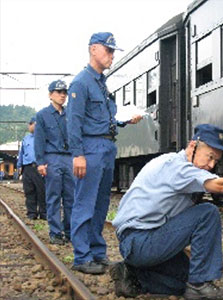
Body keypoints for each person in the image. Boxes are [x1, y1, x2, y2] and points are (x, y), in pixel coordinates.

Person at [111, 124, 223, 300]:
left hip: (141, 242)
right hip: (140, 241)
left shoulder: (172, 163)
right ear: (193, 146)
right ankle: (200, 286)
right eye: (209, 157)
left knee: (183, 281)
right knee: (207, 213)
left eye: (215, 160)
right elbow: (222, 185)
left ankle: (133, 274)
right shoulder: (179, 168)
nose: (211, 165)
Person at [67, 32, 143, 274]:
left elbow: (101, 118)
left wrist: (123, 122)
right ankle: (81, 257)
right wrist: (77, 154)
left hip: (106, 147)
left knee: (100, 205)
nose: (111, 55)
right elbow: (74, 121)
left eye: (112, 51)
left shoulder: (100, 83)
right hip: (90, 149)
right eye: (108, 50)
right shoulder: (81, 82)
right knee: (84, 203)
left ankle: (97, 252)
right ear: (93, 50)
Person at [34, 80, 74, 245]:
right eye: (58, 92)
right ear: (50, 95)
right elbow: (39, 140)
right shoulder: (42, 115)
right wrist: (40, 162)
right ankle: (56, 232)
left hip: (69, 157)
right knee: (54, 197)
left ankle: (70, 231)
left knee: (71, 197)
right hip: (52, 158)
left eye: (64, 92)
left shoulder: (70, 114)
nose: (62, 95)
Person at [17, 117, 46, 220]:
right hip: (27, 168)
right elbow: (22, 153)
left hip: (39, 167)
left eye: (31, 124)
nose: (29, 126)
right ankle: (32, 213)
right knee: (29, 191)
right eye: (29, 124)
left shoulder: (44, 137)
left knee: (41, 191)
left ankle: (43, 213)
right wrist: (19, 166)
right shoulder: (26, 139)